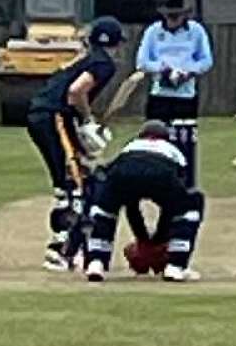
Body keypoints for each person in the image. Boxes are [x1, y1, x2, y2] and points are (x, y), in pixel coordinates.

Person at [25, 15, 124, 270]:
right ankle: (61, 249)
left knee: (72, 179)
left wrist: (80, 131)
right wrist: (88, 120)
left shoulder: (84, 57)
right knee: (75, 185)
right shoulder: (103, 63)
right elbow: (75, 92)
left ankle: (67, 246)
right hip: (54, 117)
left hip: (44, 115)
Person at [82, 121, 206, 285]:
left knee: (104, 212)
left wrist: (144, 240)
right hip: (162, 173)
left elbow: (131, 206)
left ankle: (96, 262)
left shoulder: (130, 147)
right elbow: (172, 207)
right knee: (189, 207)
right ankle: (176, 265)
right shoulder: (174, 151)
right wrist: (158, 241)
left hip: (122, 173)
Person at [136, 0, 214, 181]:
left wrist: (189, 71)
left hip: (185, 96)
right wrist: (162, 69)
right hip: (159, 95)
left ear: (184, 15)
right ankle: (156, 181)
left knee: (185, 142)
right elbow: (142, 61)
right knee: (155, 143)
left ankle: (186, 183)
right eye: (169, 16)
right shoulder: (153, 32)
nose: (173, 20)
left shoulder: (196, 31)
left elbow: (206, 60)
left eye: (176, 16)